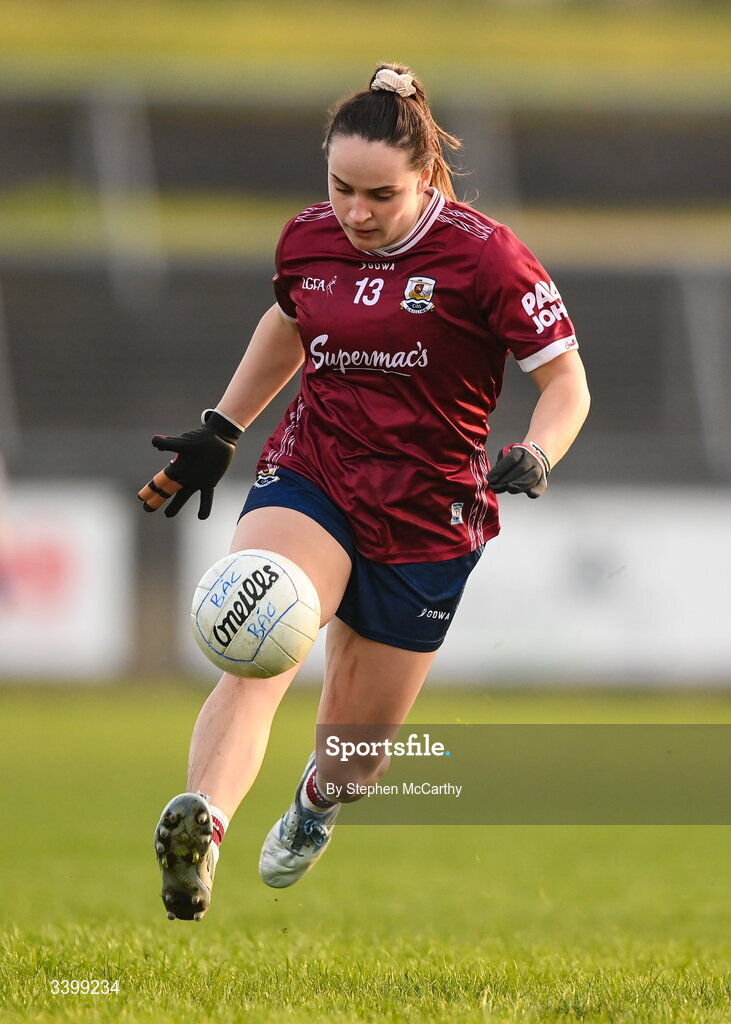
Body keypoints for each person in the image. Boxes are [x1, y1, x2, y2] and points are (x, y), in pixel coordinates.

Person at [139, 63, 590, 921]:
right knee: (259, 633)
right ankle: (206, 825)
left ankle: (318, 800)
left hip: (427, 518)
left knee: (355, 753)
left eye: (378, 194)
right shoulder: (307, 240)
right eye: (340, 187)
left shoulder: (485, 256)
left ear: (424, 179)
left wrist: (537, 452)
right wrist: (224, 427)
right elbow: (289, 320)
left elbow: (566, 381)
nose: (354, 211)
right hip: (315, 473)